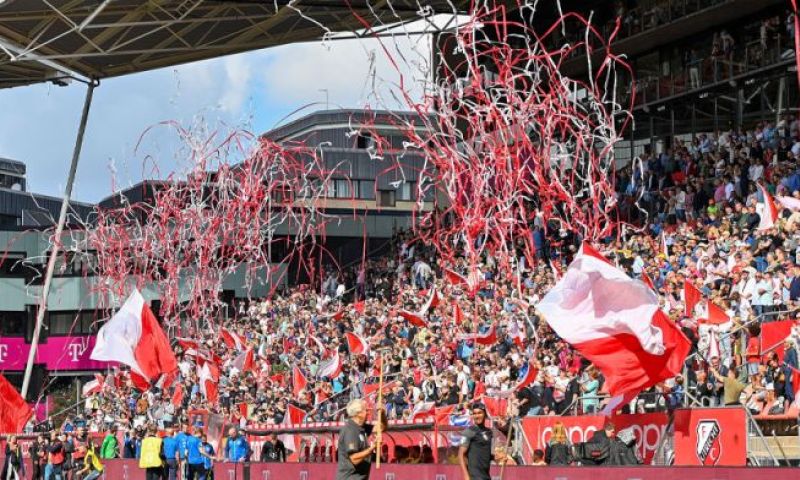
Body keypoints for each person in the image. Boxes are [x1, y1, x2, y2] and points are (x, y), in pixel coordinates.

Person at [336, 398, 386, 480]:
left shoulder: (362, 427)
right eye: (366, 410)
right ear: (358, 413)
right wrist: (372, 448)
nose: (368, 412)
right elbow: (354, 459)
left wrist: (382, 414)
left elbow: (381, 427)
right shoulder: (350, 430)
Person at [458, 404, 493, 480]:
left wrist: (497, 457)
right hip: (474, 477)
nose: (477, 416)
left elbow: (484, 454)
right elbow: (461, 454)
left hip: (486, 476)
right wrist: (466, 476)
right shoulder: (469, 431)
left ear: (485, 414)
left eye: (480, 413)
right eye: (474, 413)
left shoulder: (489, 432)